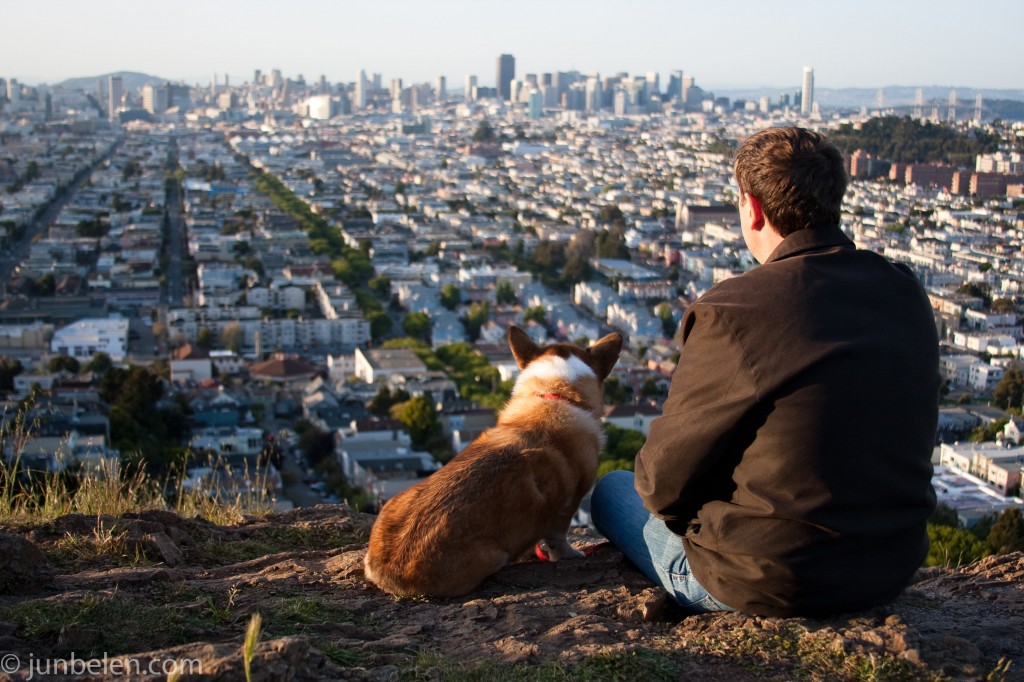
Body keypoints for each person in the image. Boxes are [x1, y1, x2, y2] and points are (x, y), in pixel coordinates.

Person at [590, 126, 940, 618]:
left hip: (770, 581)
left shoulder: (733, 311)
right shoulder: (905, 290)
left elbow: (659, 485)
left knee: (611, 490)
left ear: (752, 208)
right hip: (890, 567)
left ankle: (697, 593)